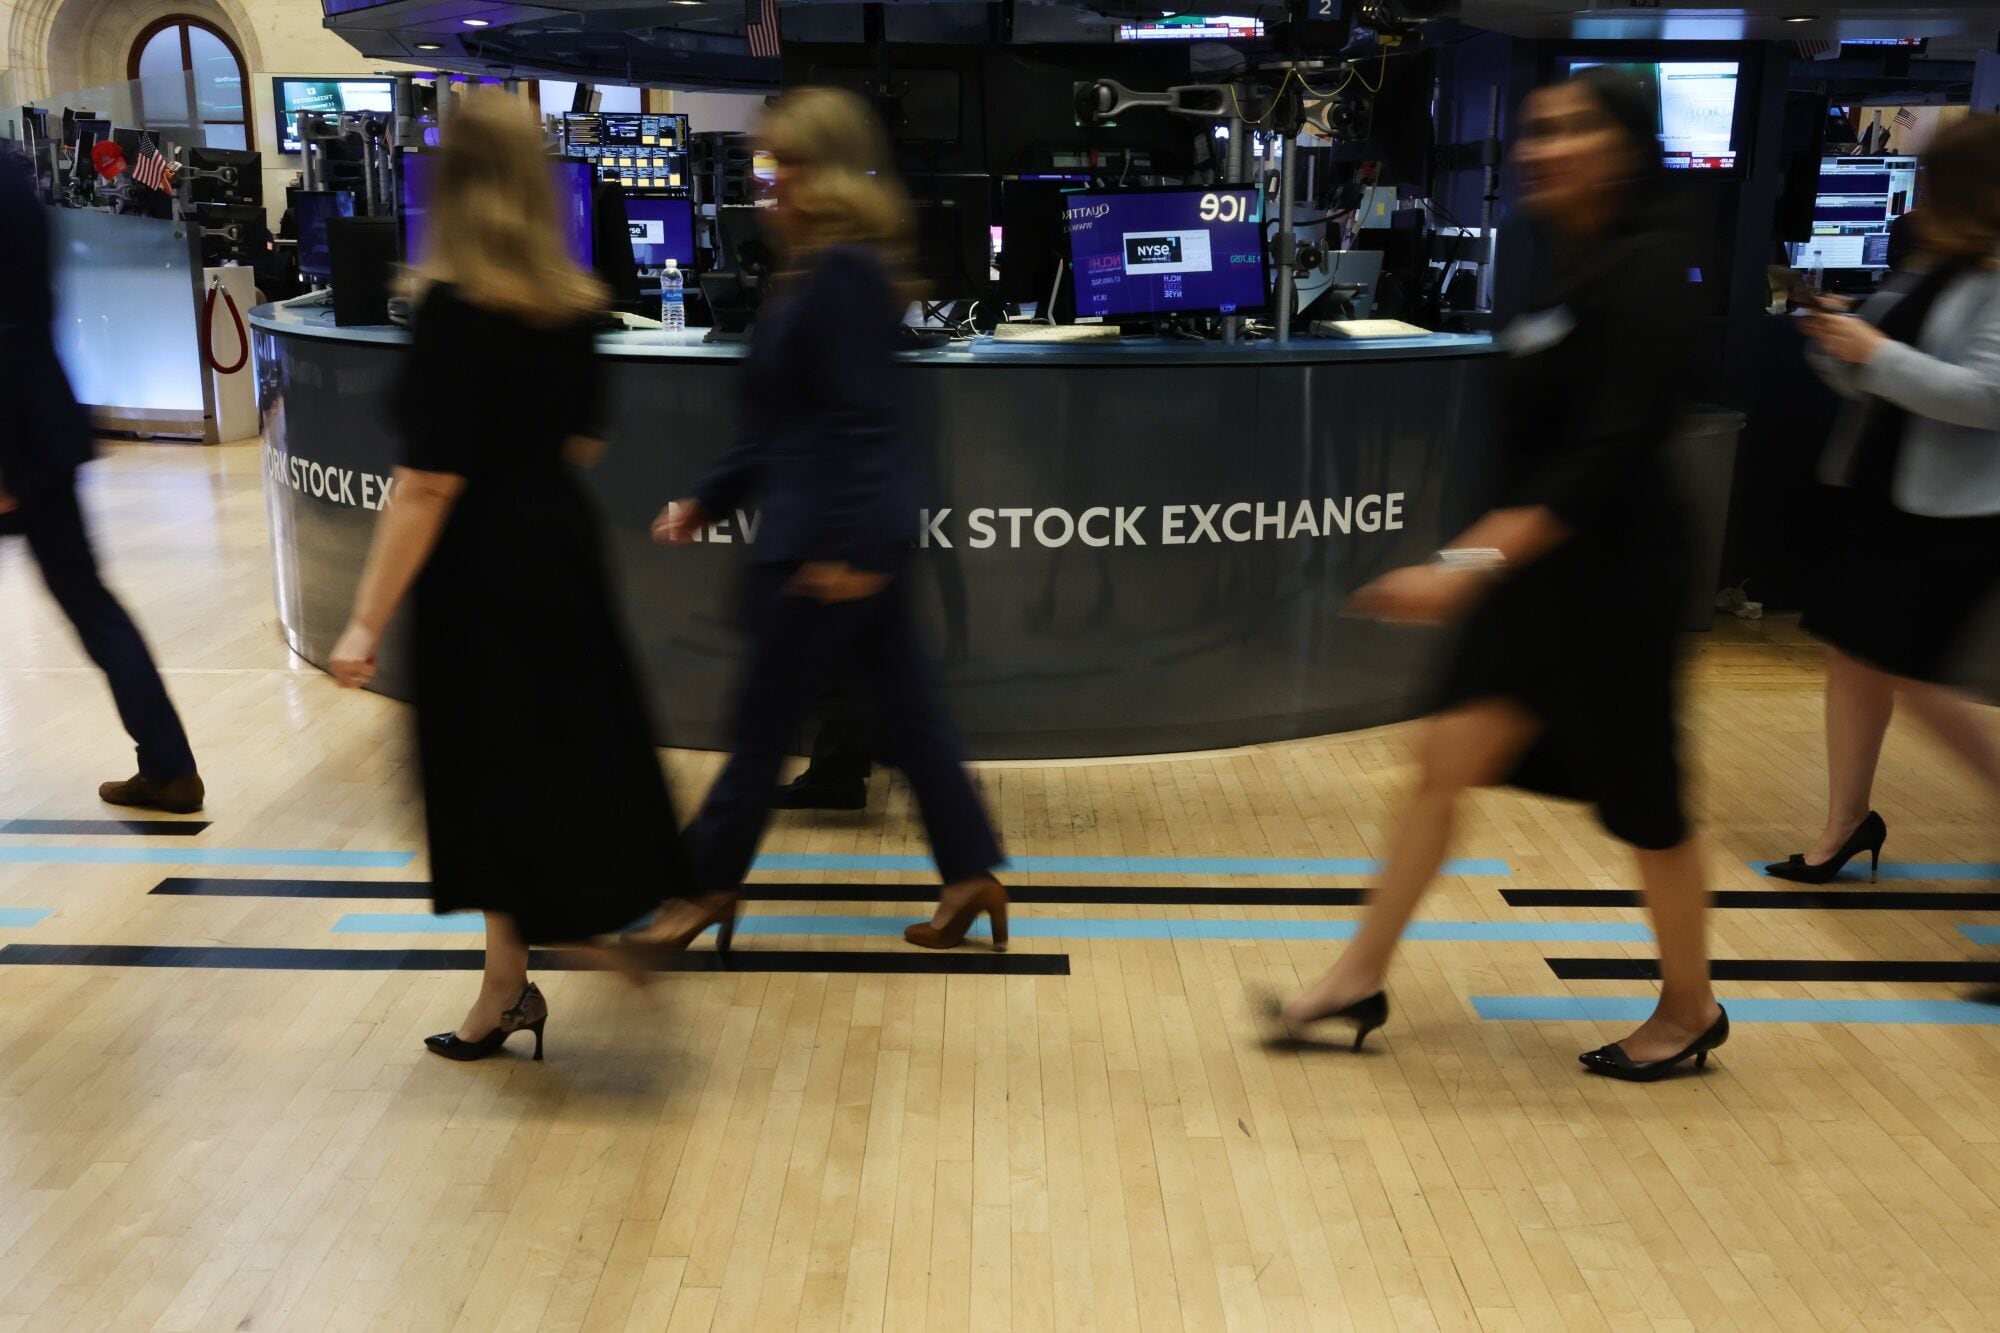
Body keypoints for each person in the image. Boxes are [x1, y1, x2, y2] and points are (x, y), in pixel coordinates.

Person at [1271, 68, 1727, 1082]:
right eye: (1536, 130)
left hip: (1614, 584)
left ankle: (1690, 1005)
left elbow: (1597, 463)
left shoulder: (1648, 271)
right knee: (1443, 757)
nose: (1542, 149)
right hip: (1536, 578)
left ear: (1624, 148)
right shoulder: (1564, 253)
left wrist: (1462, 564)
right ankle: (1356, 977)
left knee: (1646, 805)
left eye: (1570, 131)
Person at [327, 90, 689, 1060]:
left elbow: (425, 486)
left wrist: (364, 621)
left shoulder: (453, 310)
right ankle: (507, 984)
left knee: (485, 777)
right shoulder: (574, 306)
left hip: (479, 571)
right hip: (559, 551)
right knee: (546, 758)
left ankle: (556, 944)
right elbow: (582, 442)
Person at [644, 87, 1006, 952]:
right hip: (847, 540)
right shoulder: (817, 268)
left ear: (830, 174)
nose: (769, 182)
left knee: (762, 726)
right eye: (768, 164)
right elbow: (779, 422)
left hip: (824, 549)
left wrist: (850, 546)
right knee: (911, 718)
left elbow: (863, 420)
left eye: (786, 164)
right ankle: (971, 874)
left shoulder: (839, 273)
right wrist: (709, 499)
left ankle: (702, 888)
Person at [1769, 116, 2000, 885]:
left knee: (1917, 677)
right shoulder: (1933, 263)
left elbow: (1987, 397)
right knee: (1854, 659)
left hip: (1951, 516)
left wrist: (1874, 352)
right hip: (1877, 494)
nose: (1919, 197)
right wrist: (1838, 341)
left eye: (1935, 181)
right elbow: (1874, 367)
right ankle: (1845, 823)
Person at [0, 147, 204, 813]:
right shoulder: (11, 175)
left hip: (16, 436)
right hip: (43, 424)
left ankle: (169, 766)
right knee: (91, 603)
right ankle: (169, 765)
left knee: (89, 604)